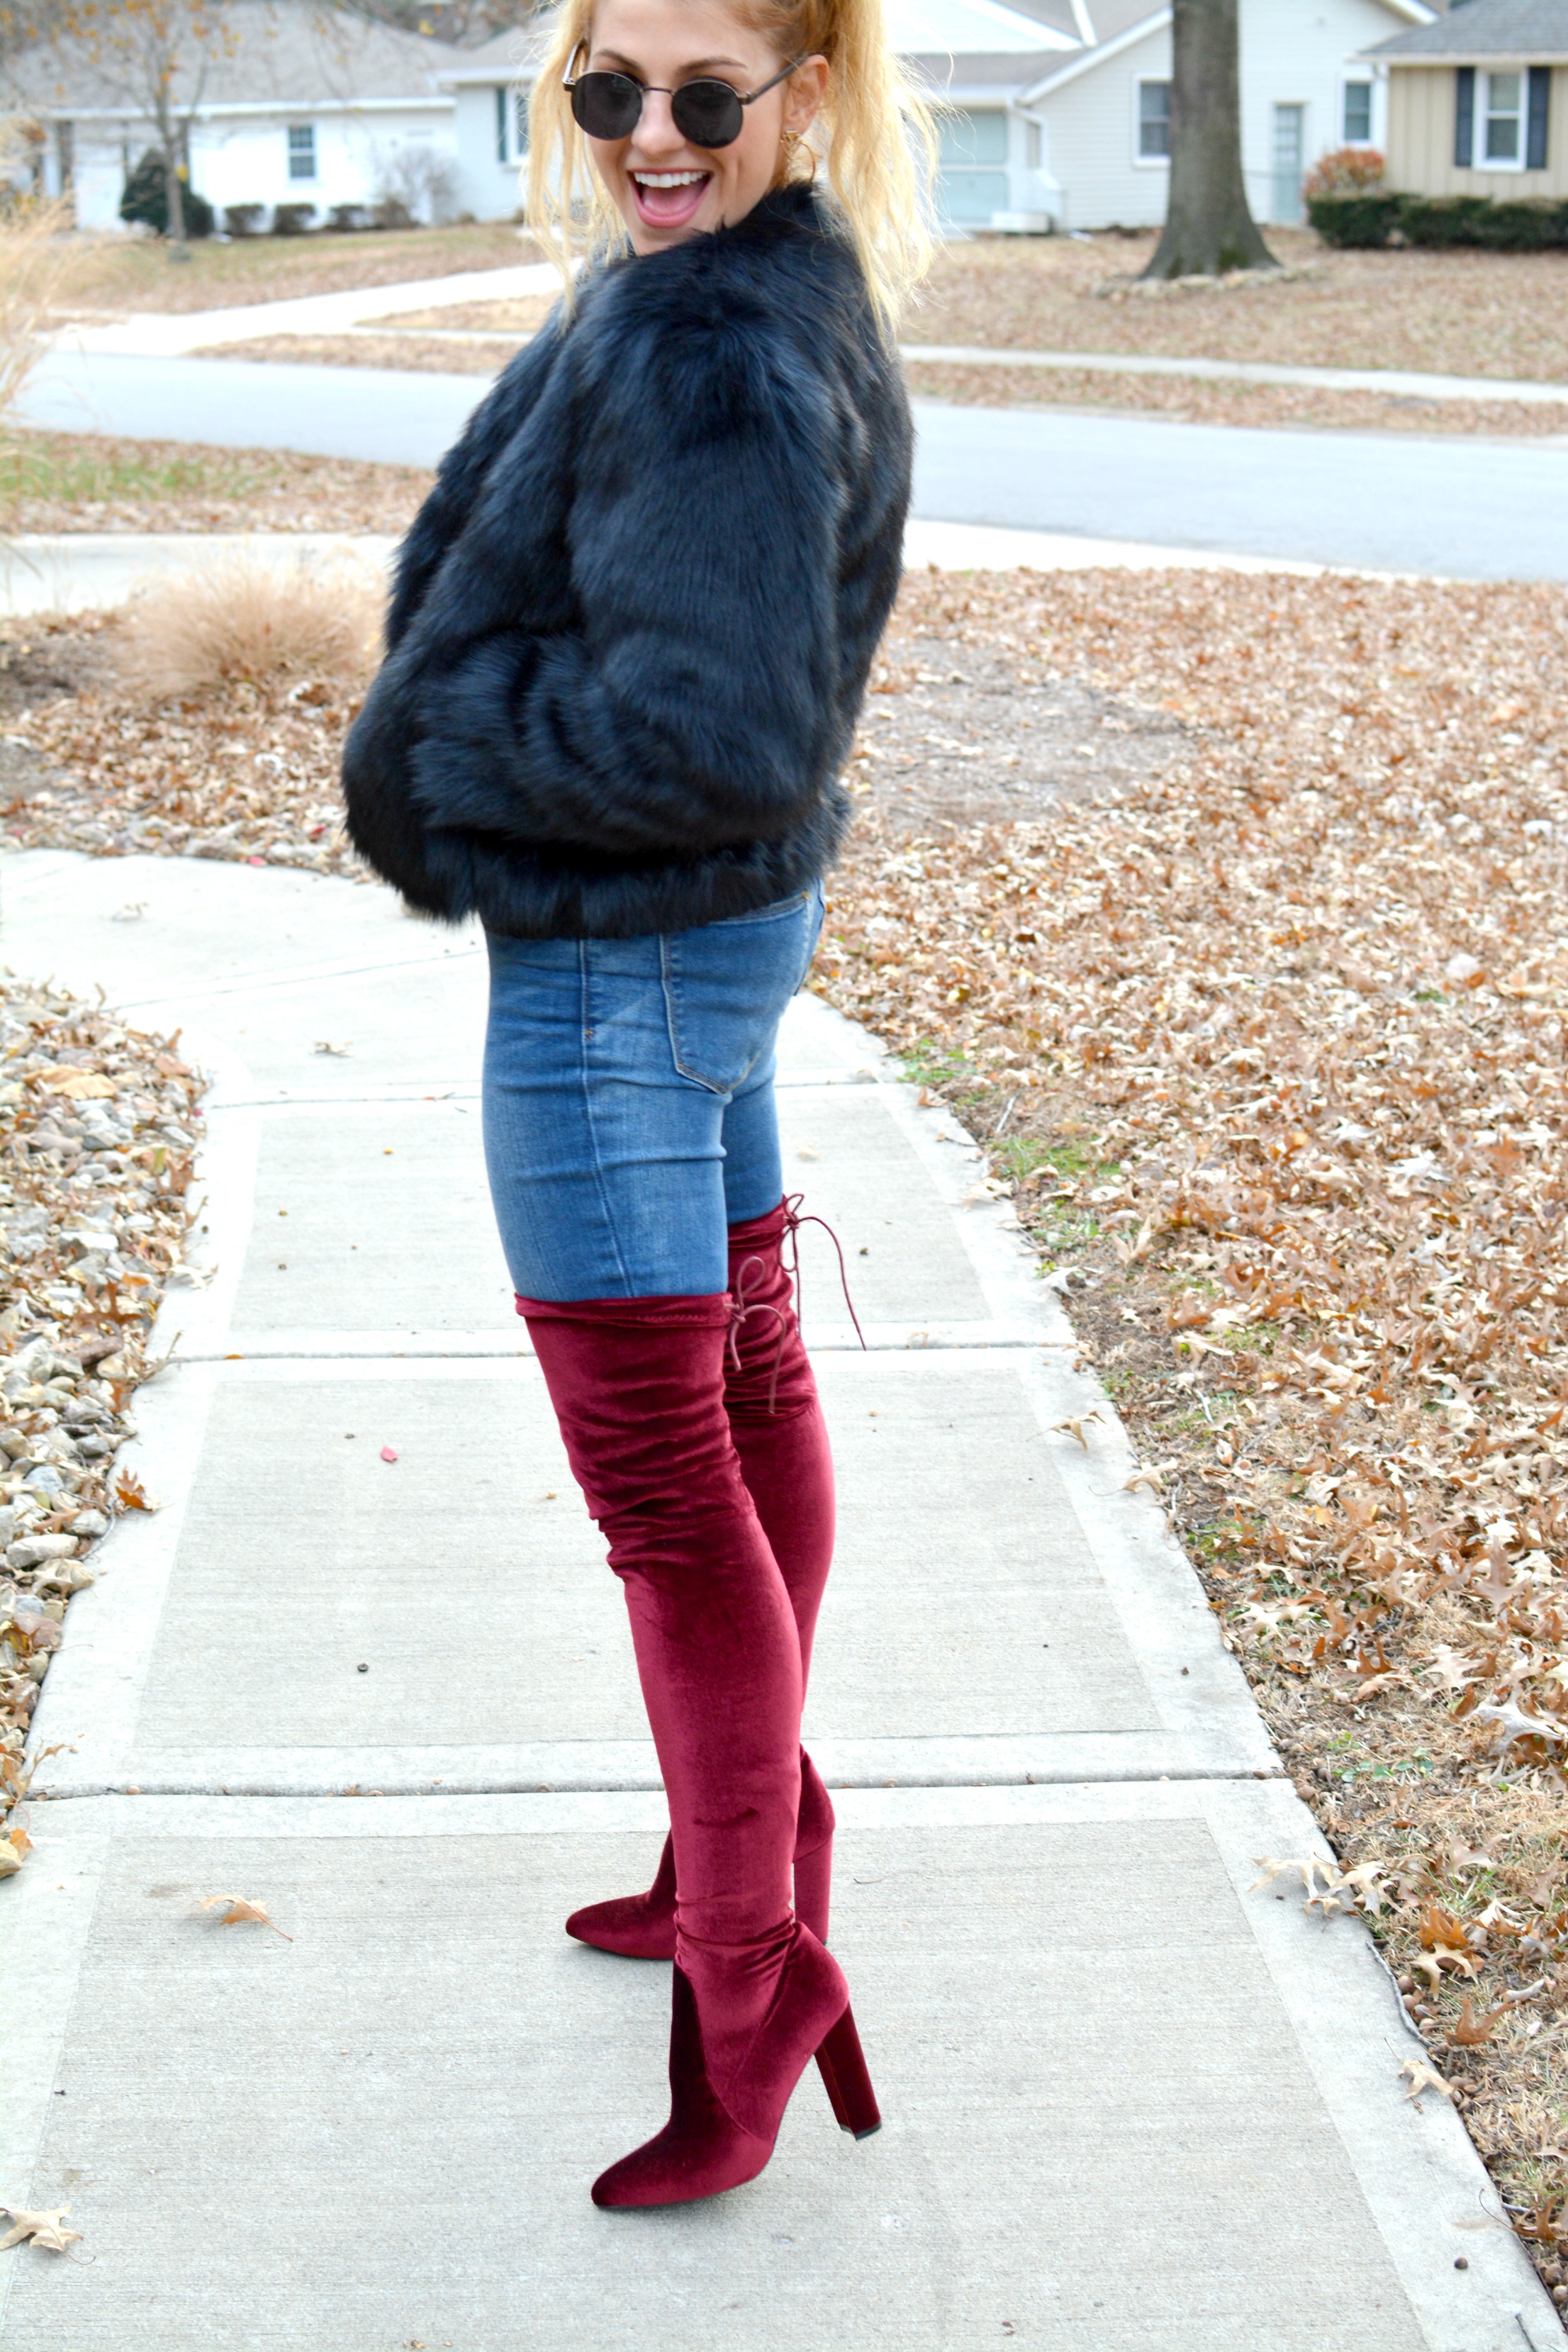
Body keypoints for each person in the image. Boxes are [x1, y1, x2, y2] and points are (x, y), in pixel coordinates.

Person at [342, 0, 931, 2211]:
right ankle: (748, 1834)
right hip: (700, 949)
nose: (650, 139)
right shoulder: (746, 293)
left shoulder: (711, 352)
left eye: (704, 95)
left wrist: (435, 751)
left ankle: (748, 1963)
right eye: (607, 94)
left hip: (618, 963)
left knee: (667, 1487)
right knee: (746, 1385)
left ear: (808, 87)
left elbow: (714, 734)